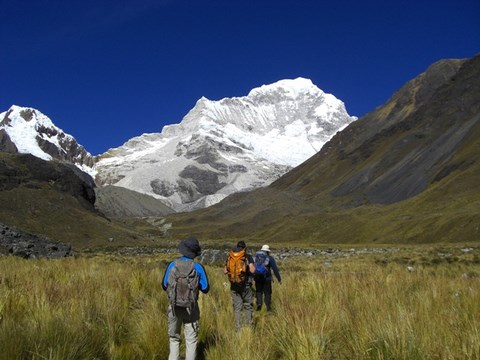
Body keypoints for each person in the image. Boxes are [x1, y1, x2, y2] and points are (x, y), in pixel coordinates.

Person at [162, 237, 210, 360]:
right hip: (191, 307)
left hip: (174, 307)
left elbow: (164, 285)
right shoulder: (198, 267)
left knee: (174, 338)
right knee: (191, 340)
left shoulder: (172, 265)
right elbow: (205, 288)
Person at [224, 240, 255, 331]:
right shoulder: (247, 256)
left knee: (237, 307)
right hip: (246, 285)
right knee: (248, 306)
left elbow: (225, 271)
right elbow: (253, 270)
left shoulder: (230, 256)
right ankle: (248, 327)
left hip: (234, 285)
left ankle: (238, 328)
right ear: (245, 248)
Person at [254, 244, 281, 312]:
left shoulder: (256, 257)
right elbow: (275, 269)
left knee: (259, 291)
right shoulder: (270, 258)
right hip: (267, 278)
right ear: (268, 251)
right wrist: (279, 278)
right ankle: (268, 308)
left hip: (257, 277)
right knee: (267, 293)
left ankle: (259, 304)